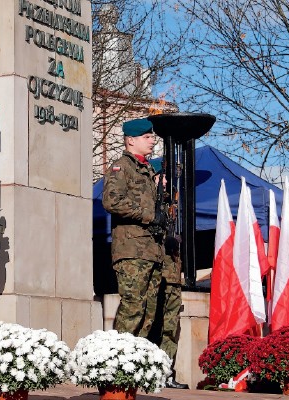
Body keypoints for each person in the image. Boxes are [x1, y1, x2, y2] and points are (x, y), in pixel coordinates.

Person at [102, 118, 165, 338]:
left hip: (150, 251)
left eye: (151, 136)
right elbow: (111, 201)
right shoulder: (123, 166)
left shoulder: (146, 170)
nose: (152, 140)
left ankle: (137, 361)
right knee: (133, 308)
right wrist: (149, 215)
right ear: (131, 140)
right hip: (131, 250)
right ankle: (118, 358)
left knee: (148, 312)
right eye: (146, 137)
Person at [147, 159, 189, 389]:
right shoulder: (149, 205)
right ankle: (149, 371)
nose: (165, 183)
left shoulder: (171, 206)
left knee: (171, 328)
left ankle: (166, 372)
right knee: (153, 324)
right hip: (156, 274)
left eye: (166, 179)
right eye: (161, 178)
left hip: (172, 276)